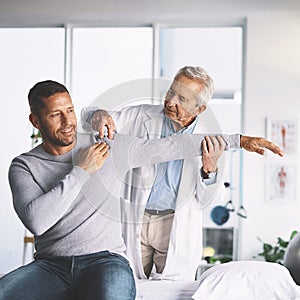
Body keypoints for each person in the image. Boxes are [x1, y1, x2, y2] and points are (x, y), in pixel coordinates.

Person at [0, 80, 248, 299]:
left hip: (104, 260)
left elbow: (171, 146)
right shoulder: (24, 165)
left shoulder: (107, 145)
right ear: (36, 121)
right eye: (56, 114)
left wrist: (240, 141)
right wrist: (82, 170)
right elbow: (38, 222)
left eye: (70, 111)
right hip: (50, 266)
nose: (68, 122)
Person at [82, 66, 284, 280]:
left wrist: (210, 169)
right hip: (137, 219)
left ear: (200, 109)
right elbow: (90, 118)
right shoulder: (142, 116)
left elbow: (212, 199)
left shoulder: (210, 140)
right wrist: (98, 114)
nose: (171, 102)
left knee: (170, 289)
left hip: (173, 224)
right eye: (171, 92)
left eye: (182, 99)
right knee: (127, 282)